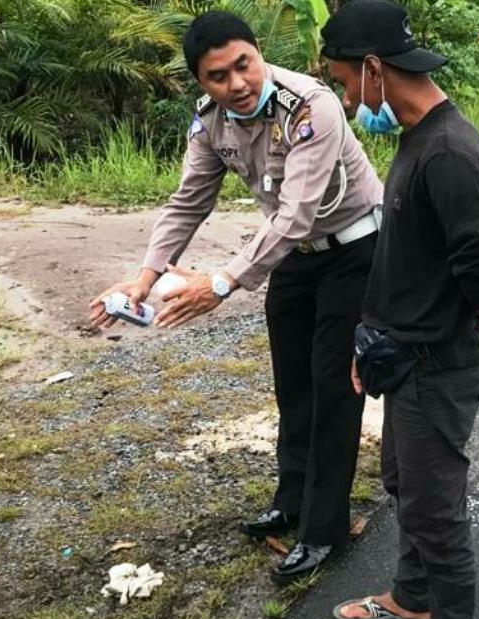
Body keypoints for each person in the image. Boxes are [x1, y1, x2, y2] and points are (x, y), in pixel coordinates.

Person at [89, 11, 384, 578]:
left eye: (243, 65)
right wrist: (144, 278)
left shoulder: (310, 107)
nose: (237, 84)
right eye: (217, 76)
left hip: (355, 251)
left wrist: (222, 283)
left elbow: (297, 212)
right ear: (202, 83)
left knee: (332, 388)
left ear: (258, 53)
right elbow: (188, 202)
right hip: (293, 259)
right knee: (292, 386)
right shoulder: (210, 124)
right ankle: (291, 502)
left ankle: (324, 531)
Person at [321, 2, 479, 619]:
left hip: (436, 364)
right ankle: (413, 597)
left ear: (374, 68)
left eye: (346, 80)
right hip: (400, 357)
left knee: (436, 506)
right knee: (405, 483)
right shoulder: (417, 137)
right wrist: (367, 336)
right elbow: (403, 256)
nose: (349, 97)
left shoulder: (450, 149)